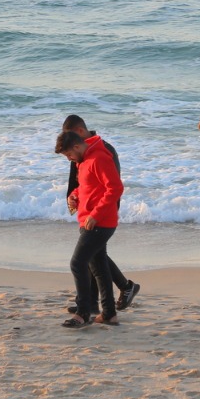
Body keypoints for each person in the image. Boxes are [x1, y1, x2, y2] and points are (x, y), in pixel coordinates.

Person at [61, 115, 140, 314]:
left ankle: (108, 297)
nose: (69, 157)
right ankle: (97, 304)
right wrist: (74, 196)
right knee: (94, 257)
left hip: (101, 212)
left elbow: (112, 186)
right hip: (88, 207)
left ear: (78, 132)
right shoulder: (82, 149)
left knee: (91, 257)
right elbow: (82, 180)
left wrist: (100, 212)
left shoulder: (101, 151)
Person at [56, 129, 123, 327]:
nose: (69, 159)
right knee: (99, 267)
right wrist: (75, 194)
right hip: (90, 220)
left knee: (78, 264)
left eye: (69, 154)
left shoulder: (99, 158)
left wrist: (95, 214)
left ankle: (83, 313)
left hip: (99, 222)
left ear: (77, 146)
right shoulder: (84, 160)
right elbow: (91, 186)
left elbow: (116, 188)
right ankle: (109, 314)